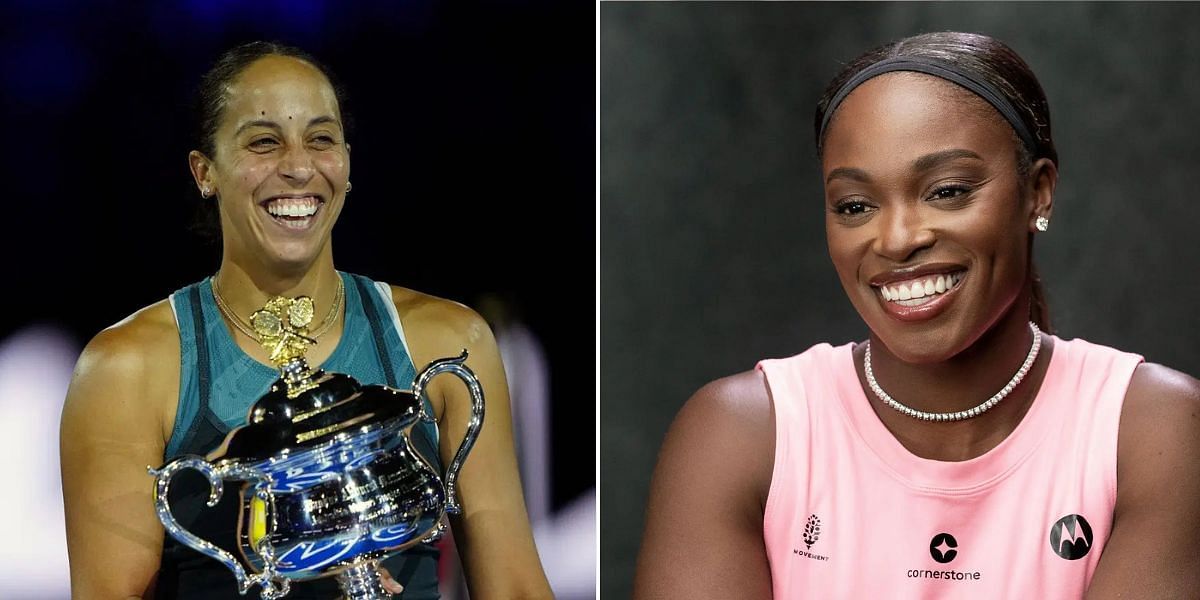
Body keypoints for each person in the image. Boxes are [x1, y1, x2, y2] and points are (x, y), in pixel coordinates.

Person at [633, 31, 1200, 598]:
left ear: (1039, 193)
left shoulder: (1155, 432)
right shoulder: (741, 435)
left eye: (947, 191)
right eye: (855, 206)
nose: (898, 239)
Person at [60, 41, 553, 599]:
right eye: (264, 143)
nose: (297, 167)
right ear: (205, 172)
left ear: (346, 162)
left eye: (320, 139)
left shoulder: (451, 341)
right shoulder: (124, 370)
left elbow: (514, 587)